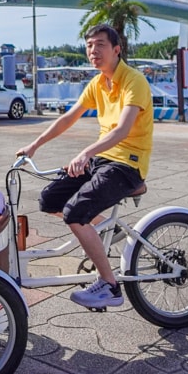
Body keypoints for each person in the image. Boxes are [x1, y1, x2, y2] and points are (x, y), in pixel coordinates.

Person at [16, 24, 153, 309]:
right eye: (89, 45)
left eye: (100, 45)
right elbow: (68, 118)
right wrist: (34, 145)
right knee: (49, 199)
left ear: (117, 49)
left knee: (75, 213)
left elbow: (123, 130)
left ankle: (110, 286)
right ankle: (104, 227)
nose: (93, 51)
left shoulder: (134, 81)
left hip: (127, 164)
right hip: (103, 161)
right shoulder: (97, 83)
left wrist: (85, 153)